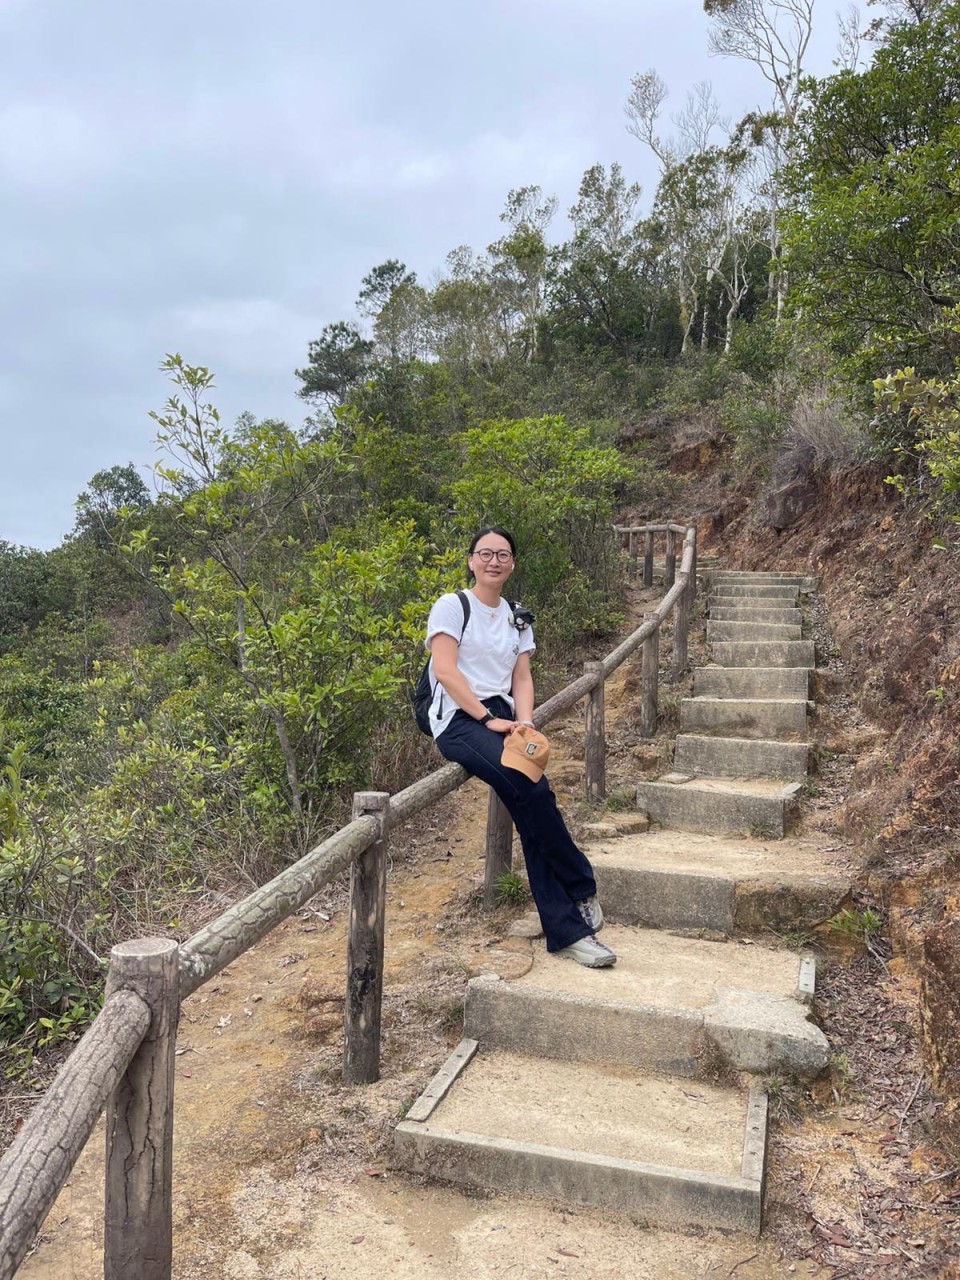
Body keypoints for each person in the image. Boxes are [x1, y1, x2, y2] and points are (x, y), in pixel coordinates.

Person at [425, 526, 616, 968]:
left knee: (530, 801)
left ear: (512, 563)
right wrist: (485, 718)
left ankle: (568, 932)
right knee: (530, 786)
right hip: (459, 719)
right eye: (485, 553)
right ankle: (580, 886)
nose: (494, 561)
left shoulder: (517, 616)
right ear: (470, 560)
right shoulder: (452, 606)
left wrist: (525, 722)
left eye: (503, 554)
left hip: (505, 717)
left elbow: (522, 676)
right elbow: (445, 671)